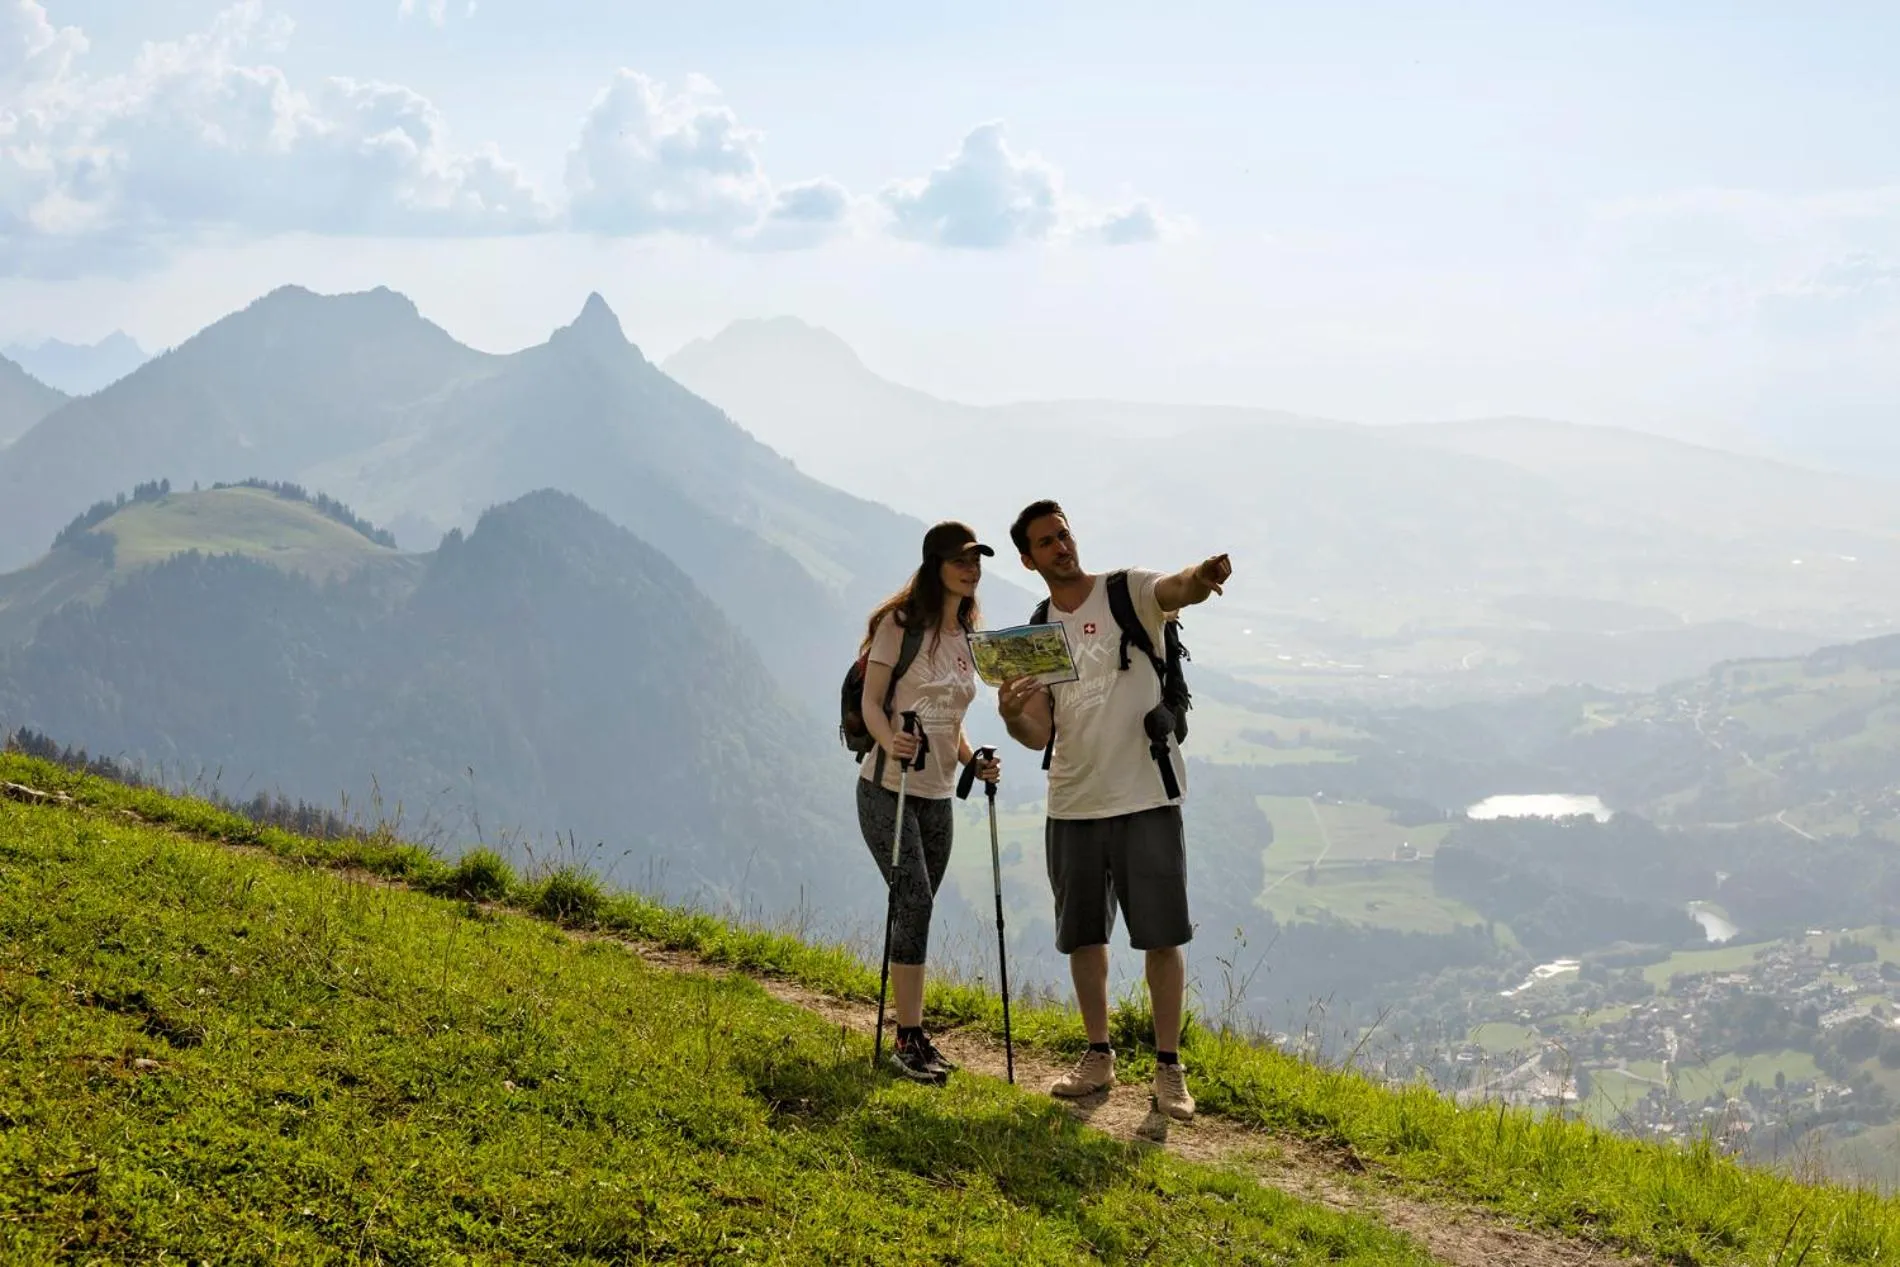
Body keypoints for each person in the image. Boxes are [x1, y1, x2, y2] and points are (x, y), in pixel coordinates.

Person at [997, 498, 1230, 1121]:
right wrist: (1013, 713)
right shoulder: (1036, 631)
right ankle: (1098, 1056)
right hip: (1072, 800)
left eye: (1064, 535)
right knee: (1084, 938)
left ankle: (1168, 1068)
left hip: (1146, 795)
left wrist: (1202, 577)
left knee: (1162, 936)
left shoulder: (1127, 591)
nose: (1061, 547)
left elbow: (1175, 587)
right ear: (1028, 559)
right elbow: (1039, 730)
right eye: (1046, 543)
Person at [858, 520, 1004, 1082]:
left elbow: (952, 723)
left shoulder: (970, 637)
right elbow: (875, 703)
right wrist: (886, 737)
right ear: (935, 565)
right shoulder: (900, 626)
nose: (972, 570)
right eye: (962, 561)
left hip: (939, 794)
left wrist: (973, 762)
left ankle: (914, 1034)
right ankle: (907, 1037)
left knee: (918, 906)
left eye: (977, 562)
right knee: (914, 901)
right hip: (886, 788)